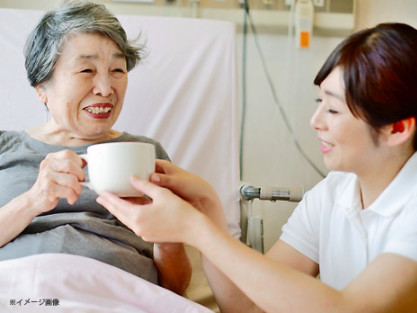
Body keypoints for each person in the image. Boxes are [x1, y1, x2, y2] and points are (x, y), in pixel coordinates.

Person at [97, 22, 417, 312]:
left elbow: (349, 309)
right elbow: (247, 307)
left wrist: (197, 230)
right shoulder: (333, 194)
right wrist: (208, 208)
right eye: (319, 103)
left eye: (333, 110)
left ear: (398, 128)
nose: (315, 121)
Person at [0, 0, 191, 295]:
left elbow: (175, 288)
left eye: (117, 70)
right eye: (87, 70)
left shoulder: (146, 153)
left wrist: (168, 237)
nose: (105, 88)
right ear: (41, 87)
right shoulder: (5, 147)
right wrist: (33, 200)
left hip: (118, 299)